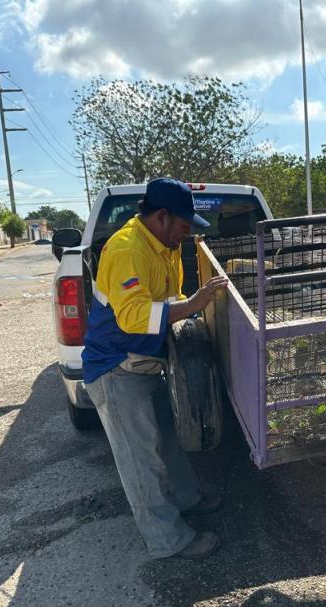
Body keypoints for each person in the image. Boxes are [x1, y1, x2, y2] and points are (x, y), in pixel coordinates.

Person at [81, 177, 229, 560]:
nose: (185, 235)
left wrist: (195, 317)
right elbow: (133, 317)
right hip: (117, 368)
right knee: (141, 462)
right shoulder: (127, 250)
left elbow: (170, 297)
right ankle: (167, 540)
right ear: (161, 217)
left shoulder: (163, 246)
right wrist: (196, 304)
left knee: (167, 439)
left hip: (149, 363)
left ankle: (187, 498)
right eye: (182, 226)